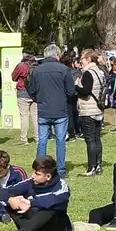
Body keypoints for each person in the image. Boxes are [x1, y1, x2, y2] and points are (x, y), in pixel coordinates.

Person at [0, 155, 71, 231]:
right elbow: (1, 193)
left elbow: (54, 199)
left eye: (37, 174)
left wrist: (30, 202)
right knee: (12, 201)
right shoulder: (30, 182)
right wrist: (11, 200)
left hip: (56, 229)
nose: (32, 176)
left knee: (51, 207)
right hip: (34, 224)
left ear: (48, 176)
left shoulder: (61, 186)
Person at [30, 44, 73, 175]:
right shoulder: (64, 69)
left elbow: (31, 90)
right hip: (60, 110)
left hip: (44, 110)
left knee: (42, 141)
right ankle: (60, 170)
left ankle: (40, 169)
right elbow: (71, 91)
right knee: (60, 141)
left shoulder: (36, 71)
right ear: (57, 55)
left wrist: (40, 100)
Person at [74, 50, 107, 176]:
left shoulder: (88, 73)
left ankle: (91, 167)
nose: (80, 61)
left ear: (88, 59)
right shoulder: (100, 71)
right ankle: (98, 165)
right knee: (97, 138)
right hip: (98, 108)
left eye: (82, 58)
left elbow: (86, 91)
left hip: (88, 109)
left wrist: (76, 86)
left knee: (90, 139)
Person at [12, 53, 36, 144]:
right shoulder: (36, 66)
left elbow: (13, 77)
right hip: (34, 94)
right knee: (35, 116)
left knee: (24, 117)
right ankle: (37, 138)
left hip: (22, 92)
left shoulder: (21, 66)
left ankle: (24, 138)